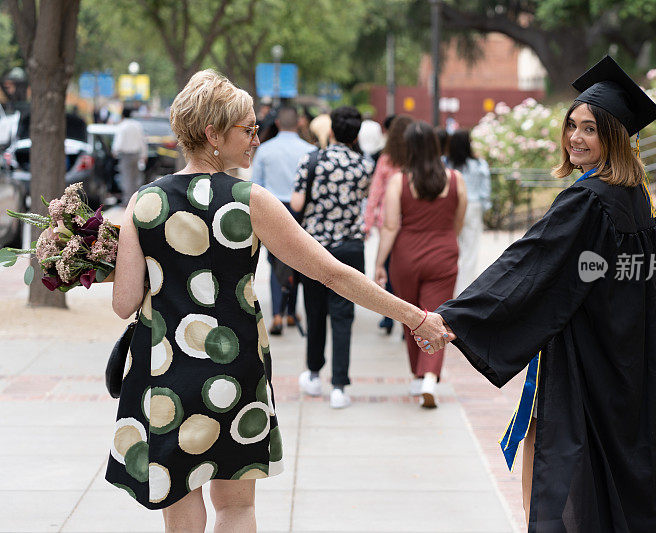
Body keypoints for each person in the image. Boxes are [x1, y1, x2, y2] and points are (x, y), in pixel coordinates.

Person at [109, 70, 449, 529]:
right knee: (237, 507)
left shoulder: (143, 203)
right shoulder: (250, 201)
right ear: (212, 134)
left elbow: (124, 301)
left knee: (180, 503)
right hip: (234, 369)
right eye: (247, 130)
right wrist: (414, 316)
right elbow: (331, 273)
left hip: (167, 370)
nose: (255, 139)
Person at [419, 56, 656, 531]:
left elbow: (529, 264)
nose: (575, 138)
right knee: (617, 462)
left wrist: (455, 319)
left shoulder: (588, 200)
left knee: (551, 447)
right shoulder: (636, 197)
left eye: (590, 129)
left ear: (615, 137)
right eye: (572, 126)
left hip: (589, 355)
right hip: (628, 359)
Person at [375, 121, 467, 407]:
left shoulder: (399, 181)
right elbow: (458, 221)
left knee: (411, 316)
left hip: (406, 256)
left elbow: (390, 226)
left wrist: (380, 263)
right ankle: (429, 377)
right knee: (437, 317)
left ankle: (418, 376)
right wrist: (446, 242)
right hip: (443, 253)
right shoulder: (455, 179)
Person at [290, 106, 375, 409]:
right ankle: (339, 385)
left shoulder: (311, 160)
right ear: (355, 135)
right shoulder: (365, 166)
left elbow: (297, 203)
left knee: (315, 312)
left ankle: (313, 374)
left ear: (333, 132)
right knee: (343, 316)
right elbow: (365, 200)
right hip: (350, 249)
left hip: (315, 248)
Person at [251, 104, 316, 335]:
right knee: (298, 259)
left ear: (277, 123)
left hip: (272, 206)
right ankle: (289, 311)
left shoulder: (265, 150)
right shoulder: (309, 150)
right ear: (299, 122)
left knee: (276, 261)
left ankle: (277, 314)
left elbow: (255, 184)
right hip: (300, 209)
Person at [364, 114, 414, 335]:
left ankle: (388, 317)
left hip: (387, 221)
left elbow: (374, 193)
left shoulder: (386, 159)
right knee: (408, 271)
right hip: (412, 221)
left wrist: (367, 223)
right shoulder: (416, 160)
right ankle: (409, 321)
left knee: (388, 269)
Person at [445, 129, 492, 295]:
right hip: (473, 206)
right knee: (470, 250)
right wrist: (486, 207)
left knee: (450, 247)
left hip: (452, 206)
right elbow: (485, 189)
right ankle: (462, 292)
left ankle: (449, 287)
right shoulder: (478, 164)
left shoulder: (446, 163)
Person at [112, 107, 148, 201]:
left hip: (125, 156)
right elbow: (142, 141)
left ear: (122, 115)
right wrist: (144, 155)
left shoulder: (122, 126)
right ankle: (137, 199)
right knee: (136, 178)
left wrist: (114, 152)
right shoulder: (137, 125)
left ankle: (128, 200)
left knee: (126, 178)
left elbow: (118, 143)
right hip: (136, 155)